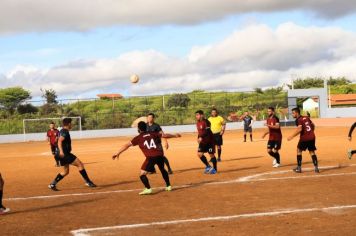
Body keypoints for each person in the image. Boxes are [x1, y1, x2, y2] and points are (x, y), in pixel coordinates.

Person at [112, 121, 181, 195]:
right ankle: (168, 186)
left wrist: (117, 153)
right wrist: (175, 135)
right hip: (160, 155)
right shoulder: (153, 133)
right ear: (146, 127)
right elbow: (164, 135)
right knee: (162, 169)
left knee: (142, 174)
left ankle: (148, 189)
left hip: (151, 157)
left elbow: (126, 145)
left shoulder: (138, 138)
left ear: (138, 129)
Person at [48, 118, 96, 191]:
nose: (72, 124)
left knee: (65, 172)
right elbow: (60, 141)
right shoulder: (65, 132)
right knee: (80, 164)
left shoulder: (61, 130)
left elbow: (58, 140)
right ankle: (88, 182)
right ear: (69, 124)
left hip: (60, 154)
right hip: (65, 154)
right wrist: (61, 151)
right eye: (71, 123)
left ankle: (52, 184)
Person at [287, 107, 320, 173]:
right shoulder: (306, 117)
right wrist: (311, 132)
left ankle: (299, 168)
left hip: (304, 138)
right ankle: (316, 168)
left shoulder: (298, 120)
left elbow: (299, 129)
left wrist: (291, 136)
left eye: (293, 113)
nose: (292, 114)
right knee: (312, 152)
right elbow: (313, 125)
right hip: (312, 137)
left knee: (299, 150)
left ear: (297, 113)